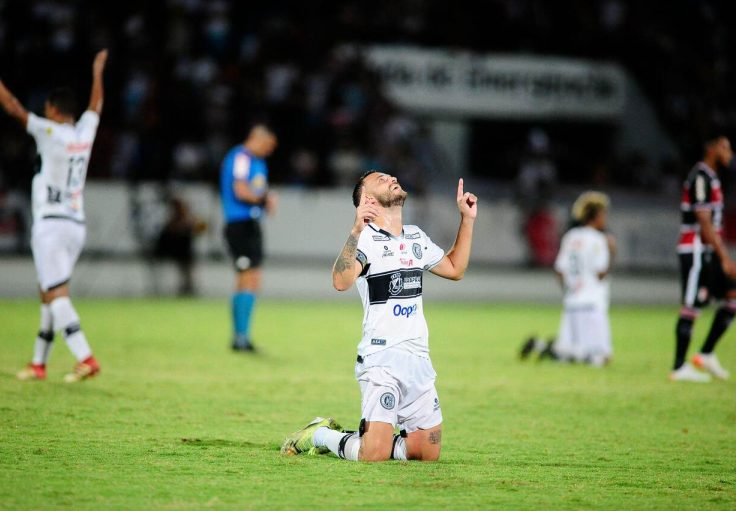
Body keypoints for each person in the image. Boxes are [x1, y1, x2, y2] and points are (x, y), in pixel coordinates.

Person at [281, 170, 477, 462]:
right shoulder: (366, 241)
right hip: (381, 360)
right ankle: (320, 433)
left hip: (419, 361)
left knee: (426, 452)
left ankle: (378, 439)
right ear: (368, 199)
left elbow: (455, 269)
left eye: (390, 176)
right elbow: (341, 281)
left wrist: (467, 219)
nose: (391, 178)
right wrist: (355, 231)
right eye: (381, 179)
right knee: (373, 455)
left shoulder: (416, 237)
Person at [0, 45, 107, 382]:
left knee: (56, 295)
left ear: (53, 110)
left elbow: (14, 109)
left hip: (51, 225)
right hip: (75, 224)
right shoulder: (84, 133)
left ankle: (85, 357)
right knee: (48, 291)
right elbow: (96, 105)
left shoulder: (50, 133)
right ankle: (38, 363)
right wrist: (97, 73)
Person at [520, 191, 616, 366]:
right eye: (604, 213)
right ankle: (550, 348)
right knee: (601, 359)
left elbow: (559, 270)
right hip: (592, 305)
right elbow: (601, 273)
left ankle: (541, 346)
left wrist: (569, 289)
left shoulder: (571, 237)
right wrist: (612, 253)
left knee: (569, 351)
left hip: (572, 303)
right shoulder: (599, 240)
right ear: (597, 215)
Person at [670, 135, 735, 382]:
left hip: (707, 252)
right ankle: (678, 367)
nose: (729, 152)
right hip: (695, 249)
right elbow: (704, 222)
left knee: (732, 296)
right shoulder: (700, 176)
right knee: (691, 305)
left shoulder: (712, 177)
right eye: (725, 147)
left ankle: (706, 353)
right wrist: (725, 258)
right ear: (711, 148)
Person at [219, 125, 277, 351]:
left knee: (253, 279)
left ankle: (242, 335)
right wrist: (264, 199)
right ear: (256, 139)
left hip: (252, 224)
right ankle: (239, 337)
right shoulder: (242, 157)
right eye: (267, 146)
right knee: (246, 278)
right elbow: (241, 191)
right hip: (239, 224)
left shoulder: (259, 162)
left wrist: (265, 201)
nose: (269, 151)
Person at [154, 195, 207, 296]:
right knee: (181, 271)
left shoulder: (189, 218)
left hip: (186, 250)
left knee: (187, 271)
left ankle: (188, 289)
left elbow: (200, 229)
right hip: (176, 250)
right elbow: (169, 231)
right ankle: (182, 289)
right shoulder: (173, 219)